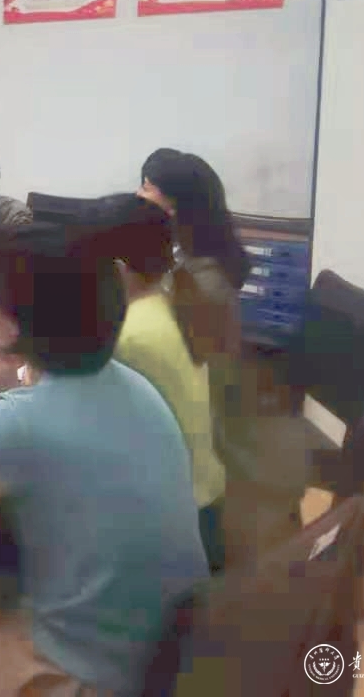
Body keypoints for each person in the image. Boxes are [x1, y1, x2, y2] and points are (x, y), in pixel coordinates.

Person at [0, 222, 207, 694]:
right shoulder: (135, 383)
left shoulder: (21, 422)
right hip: (179, 648)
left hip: (98, 678)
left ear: (13, 321)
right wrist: (6, 370)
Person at [140, 152, 307, 568]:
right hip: (211, 393)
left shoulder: (204, 280)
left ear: (174, 206)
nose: (138, 195)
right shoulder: (194, 256)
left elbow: (178, 358)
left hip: (212, 418)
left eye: (146, 188)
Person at [99, 193, 226, 571]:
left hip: (171, 532)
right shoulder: (172, 304)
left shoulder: (129, 338)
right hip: (205, 505)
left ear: (117, 269)